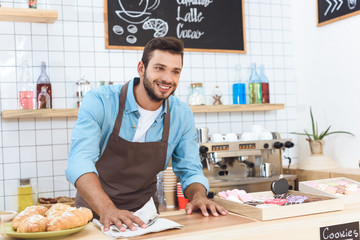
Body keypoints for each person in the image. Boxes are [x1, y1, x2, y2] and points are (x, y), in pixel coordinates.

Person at [65, 36, 228, 232]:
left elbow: (190, 170)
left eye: (175, 71)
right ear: (141, 68)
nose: (168, 79)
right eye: (159, 68)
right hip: (95, 215)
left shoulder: (181, 114)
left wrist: (199, 197)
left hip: (145, 221)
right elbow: (79, 161)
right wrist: (108, 209)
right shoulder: (100, 101)